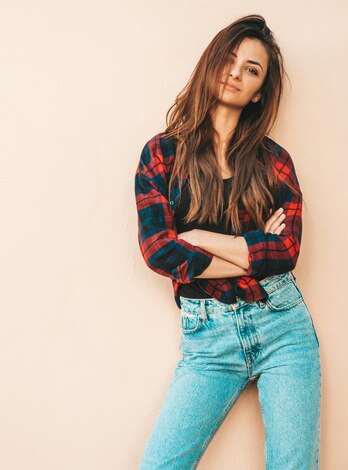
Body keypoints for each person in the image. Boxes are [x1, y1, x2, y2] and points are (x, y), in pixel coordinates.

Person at [134, 14, 321, 469]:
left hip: (284, 328)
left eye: (252, 69)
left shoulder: (274, 161)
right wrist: (252, 251)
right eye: (231, 59)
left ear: (259, 92)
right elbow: (160, 251)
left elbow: (288, 251)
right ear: (213, 62)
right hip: (208, 336)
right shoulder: (161, 154)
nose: (236, 72)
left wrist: (198, 237)